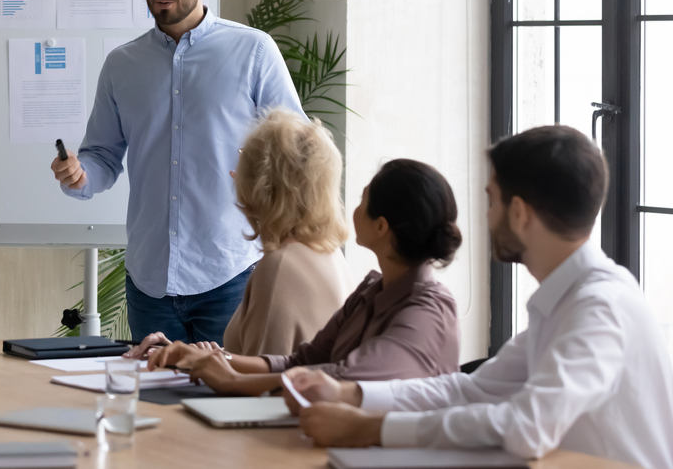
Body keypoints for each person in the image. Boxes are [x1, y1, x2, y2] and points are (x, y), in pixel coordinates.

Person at [285, 125, 673, 469]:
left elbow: (527, 428)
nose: (485, 215)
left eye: (490, 200)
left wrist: (370, 428)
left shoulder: (599, 308)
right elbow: (469, 389)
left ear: (519, 213)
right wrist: (349, 394)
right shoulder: (571, 300)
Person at [50, 0, 305, 344]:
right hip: (149, 283)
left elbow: (297, 151)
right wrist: (81, 175)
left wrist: (261, 177)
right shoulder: (121, 65)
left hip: (230, 274)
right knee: (153, 406)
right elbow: (103, 156)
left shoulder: (254, 51)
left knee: (228, 405)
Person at [146, 159, 462, 396]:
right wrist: (208, 357)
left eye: (362, 201)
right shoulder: (371, 290)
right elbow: (304, 360)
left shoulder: (427, 311)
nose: (353, 209)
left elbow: (347, 378)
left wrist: (235, 380)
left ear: (381, 227)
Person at [126, 108, 355, 359]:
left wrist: (190, 362)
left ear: (261, 185)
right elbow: (268, 365)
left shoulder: (280, 266)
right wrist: (199, 355)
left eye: (244, 159)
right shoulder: (329, 254)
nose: (234, 171)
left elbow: (258, 387)